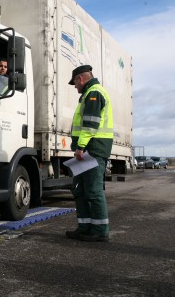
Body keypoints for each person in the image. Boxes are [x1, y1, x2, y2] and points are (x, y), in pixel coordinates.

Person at [66, 65, 113, 242]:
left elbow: (90, 124)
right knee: (80, 190)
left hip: (91, 149)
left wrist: (80, 146)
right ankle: (85, 227)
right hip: (87, 150)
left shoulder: (94, 93)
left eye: (75, 83)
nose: (75, 87)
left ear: (81, 79)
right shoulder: (89, 94)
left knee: (93, 191)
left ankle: (100, 230)